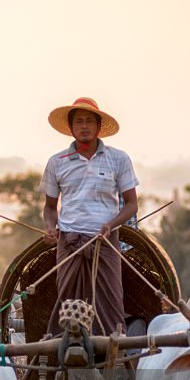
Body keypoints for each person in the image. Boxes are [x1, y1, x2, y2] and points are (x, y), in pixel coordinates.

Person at [41, 97, 138, 336]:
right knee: (67, 302)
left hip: (106, 242)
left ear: (98, 125)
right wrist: (50, 227)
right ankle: (65, 351)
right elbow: (50, 207)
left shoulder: (119, 159)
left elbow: (132, 204)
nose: (84, 126)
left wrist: (110, 225)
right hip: (69, 242)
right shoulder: (57, 162)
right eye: (79, 122)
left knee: (111, 304)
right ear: (71, 128)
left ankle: (114, 352)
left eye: (89, 121)